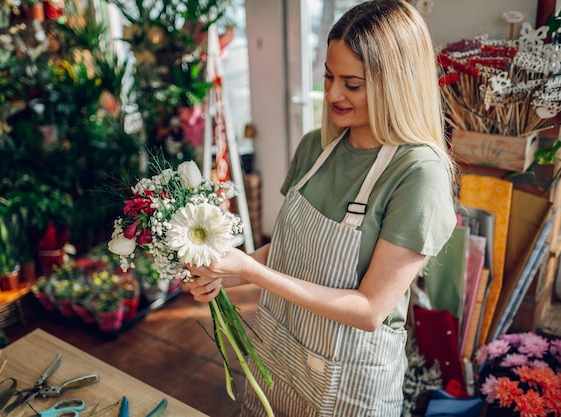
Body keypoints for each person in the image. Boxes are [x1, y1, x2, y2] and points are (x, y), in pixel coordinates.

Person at [185, 0, 457, 415]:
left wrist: (251, 273)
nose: (332, 94)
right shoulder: (317, 147)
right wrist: (225, 273)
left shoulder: (418, 173)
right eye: (329, 76)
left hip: (349, 380)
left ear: (395, 83)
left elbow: (369, 310)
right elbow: (291, 253)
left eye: (352, 83)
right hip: (276, 356)